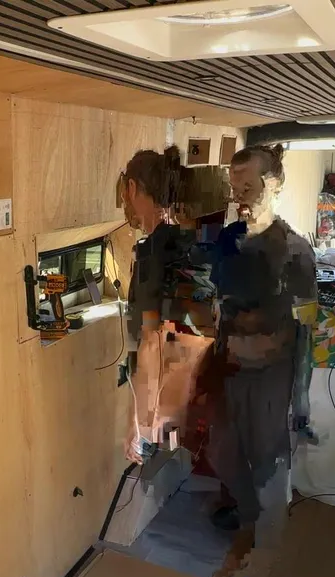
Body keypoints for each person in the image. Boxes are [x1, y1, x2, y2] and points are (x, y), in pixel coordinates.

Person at [195, 144, 318, 577]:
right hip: (230, 368)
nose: (240, 195)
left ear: (275, 184)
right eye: (235, 186)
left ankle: (248, 571)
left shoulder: (296, 251)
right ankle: (249, 524)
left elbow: (307, 328)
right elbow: (217, 305)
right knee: (222, 451)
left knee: (268, 465)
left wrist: (301, 399)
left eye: (249, 185)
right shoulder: (227, 240)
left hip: (271, 376)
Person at [117, 146, 211, 464]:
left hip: (175, 397)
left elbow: (150, 342)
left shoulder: (152, 254)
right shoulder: (192, 240)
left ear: (132, 188)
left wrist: (140, 424)